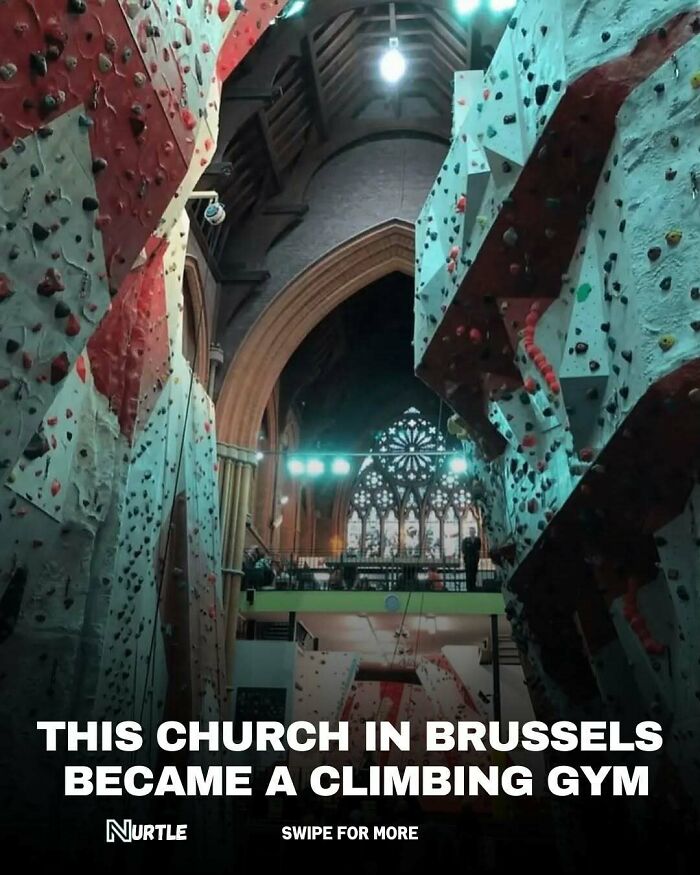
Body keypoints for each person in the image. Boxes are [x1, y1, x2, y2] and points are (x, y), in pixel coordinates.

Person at [461, 527, 481, 591]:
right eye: (470, 532)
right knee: (468, 575)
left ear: (475, 532)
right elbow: (463, 550)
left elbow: (478, 548)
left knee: (474, 574)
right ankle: (468, 588)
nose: (472, 533)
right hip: (468, 560)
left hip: (475, 560)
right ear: (469, 533)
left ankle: (473, 587)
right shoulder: (466, 540)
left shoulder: (478, 540)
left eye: (473, 532)